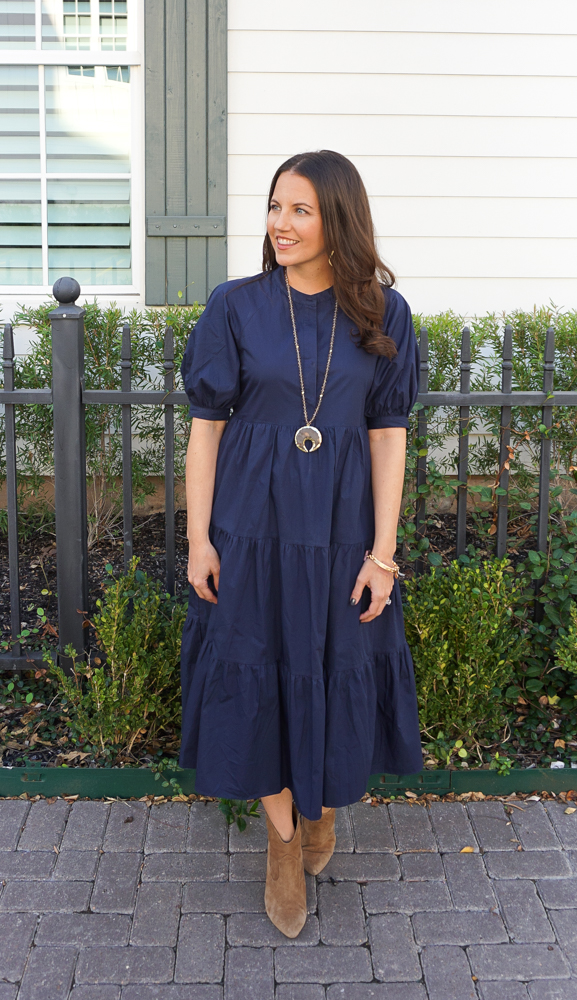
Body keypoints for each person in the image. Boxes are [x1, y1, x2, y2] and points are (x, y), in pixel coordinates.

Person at [179, 150, 423, 938]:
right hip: (250, 527)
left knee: (330, 664)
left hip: (342, 529)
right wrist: (197, 539)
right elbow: (204, 434)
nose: (281, 224)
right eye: (275, 207)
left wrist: (382, 553)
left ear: (338, 221)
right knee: (257, 670)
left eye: (301, 211)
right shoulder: (235, 306)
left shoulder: (385, 316)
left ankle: (319, 814)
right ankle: (284, 842)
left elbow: (390, 437)